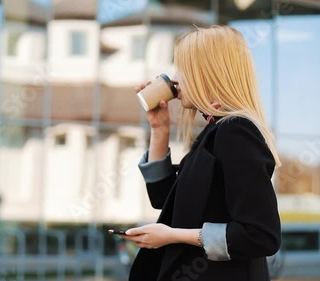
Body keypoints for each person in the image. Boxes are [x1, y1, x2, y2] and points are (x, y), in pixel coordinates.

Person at [120, 25, 282, 281]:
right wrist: (159, 129)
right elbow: (166, 200)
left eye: (182, 69)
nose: (173, 79)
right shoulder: (216, 131)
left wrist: (172, 236)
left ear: (205, 74)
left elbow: (261, 235)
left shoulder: (235, 131)